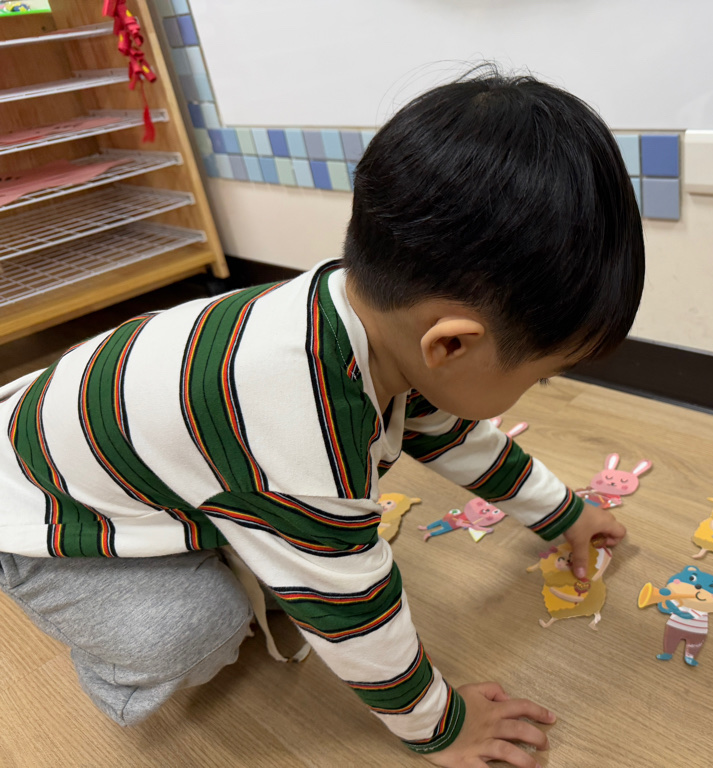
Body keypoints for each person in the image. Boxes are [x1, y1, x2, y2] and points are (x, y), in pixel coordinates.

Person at [0, 68, 644, 767]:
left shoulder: (361, 311)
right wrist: (439, 724)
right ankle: (118, 673)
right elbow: (350, 609)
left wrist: (560, 512)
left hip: (115, 444)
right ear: (451, 345)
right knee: (197, 630)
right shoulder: (304, 436)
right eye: (541, 376)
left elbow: (451, 432)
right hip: (47, 514)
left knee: (284, 543)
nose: (538, 387)